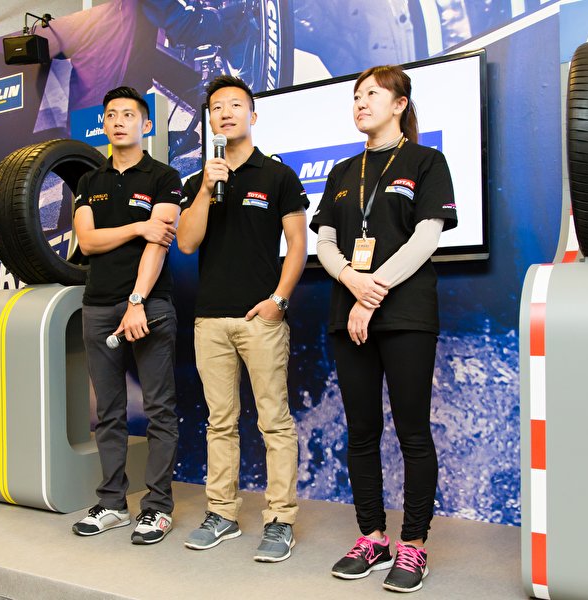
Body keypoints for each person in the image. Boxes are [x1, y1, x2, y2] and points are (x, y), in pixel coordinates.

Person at [309, 65, 458, 592]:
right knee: (362, 431)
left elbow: (427, 236)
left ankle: (414, 544)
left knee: (412, 432)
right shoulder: (342, 172)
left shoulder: (425, 161)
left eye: (371, 93)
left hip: (405, 314)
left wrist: (374, 289)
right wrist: (353, 281)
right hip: (349, 311)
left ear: (399, 104)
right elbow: (325, 242)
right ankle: (372, 536)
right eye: (356, 95)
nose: (360, 102)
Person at [177, 75, 308, 562]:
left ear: (252, 115)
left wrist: (279, 300)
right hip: (210, 321)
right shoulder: (199, 181)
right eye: (217, 107)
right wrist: (205, 188)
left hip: (261, 320)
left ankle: (280, 520)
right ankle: (222, 514)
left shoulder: (277, 176)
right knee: (220, 423)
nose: (225, 113)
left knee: (274, 421)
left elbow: (298, 244)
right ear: (209, 120)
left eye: (235, 105)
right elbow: (186, 242)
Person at [70, 86, 182, 545]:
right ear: (104, 123)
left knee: (159, 409)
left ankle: (157, 508)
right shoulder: (89, 181)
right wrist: (138, 225)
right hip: (97, 305)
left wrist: (137, 301)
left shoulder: (164, 176)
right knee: (109, 412)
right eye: (111, 115)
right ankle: (113, 504)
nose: (119, 122)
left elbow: (160, 243)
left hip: (148, 305)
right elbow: (87, 242)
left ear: (145, 124)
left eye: (129, 115)